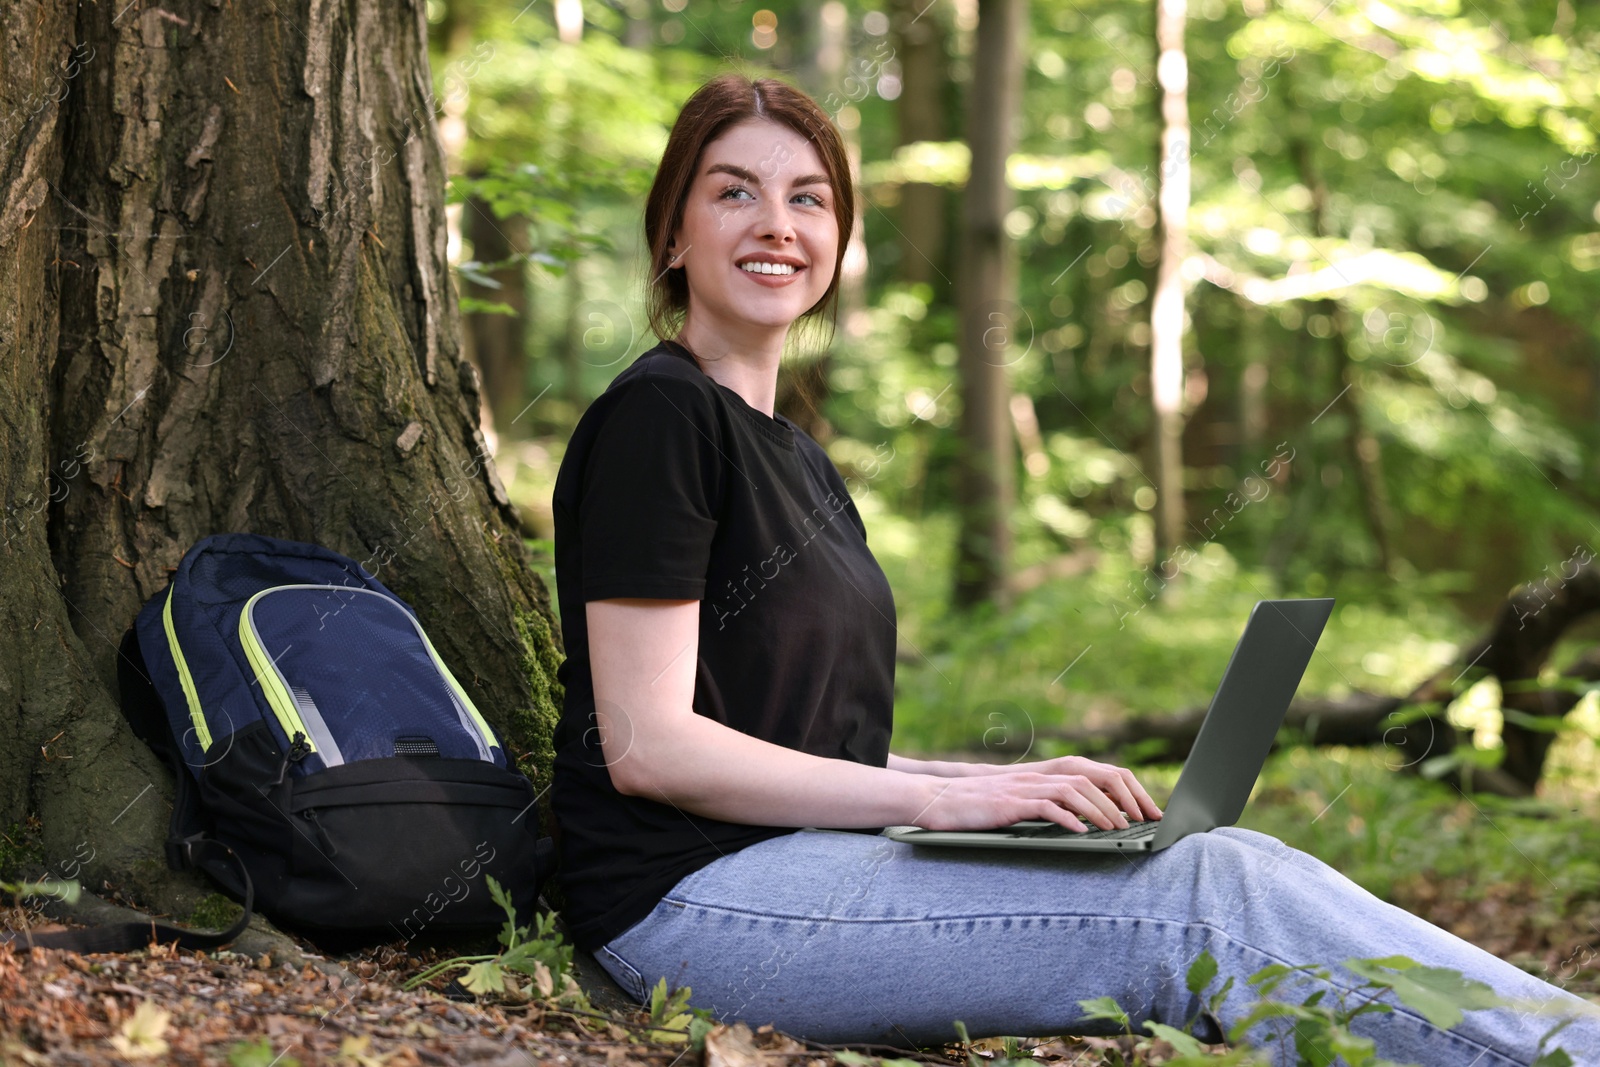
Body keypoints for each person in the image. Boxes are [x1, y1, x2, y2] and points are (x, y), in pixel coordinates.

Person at [547, 72, 1600, 1066]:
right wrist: (955, 805)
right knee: (1201, 900)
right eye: (735, 191)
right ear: (674, 233)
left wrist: (988, 782)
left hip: (794, 864)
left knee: (1238, 863)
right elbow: (649, 746)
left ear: (836, 237)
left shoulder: (798, 456)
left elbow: (796, 747)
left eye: (809, 197)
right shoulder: (661, 417)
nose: (777, 222)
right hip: (688, 903)